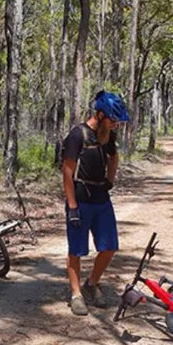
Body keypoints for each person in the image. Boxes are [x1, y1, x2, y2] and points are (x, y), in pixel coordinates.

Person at [61, 91, 128, 316]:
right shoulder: (77, 135)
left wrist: (110, 179)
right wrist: (72, 206)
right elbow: (67, 172)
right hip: (80, 200)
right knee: (76, 250)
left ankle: (92, 282)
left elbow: (114, 157)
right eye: (112, 119)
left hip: (101, 199)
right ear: (99, 115)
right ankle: (76, 294)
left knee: (109, 247)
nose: (114, 124)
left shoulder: (107, 135)